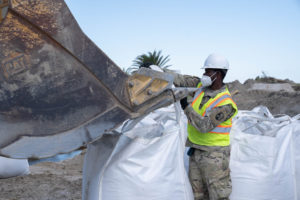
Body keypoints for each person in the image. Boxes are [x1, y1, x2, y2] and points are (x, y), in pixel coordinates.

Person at [174, 53, 238, 200]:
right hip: (196, 151)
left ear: (218, 74)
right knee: (198, 195)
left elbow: (204, 125)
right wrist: (159, 72)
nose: (204, 74)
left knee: (218, 196)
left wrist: (185, 106)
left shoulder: (226, 103)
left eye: (208, 71)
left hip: (214, 157)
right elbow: (181, 80)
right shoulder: (200, 86)